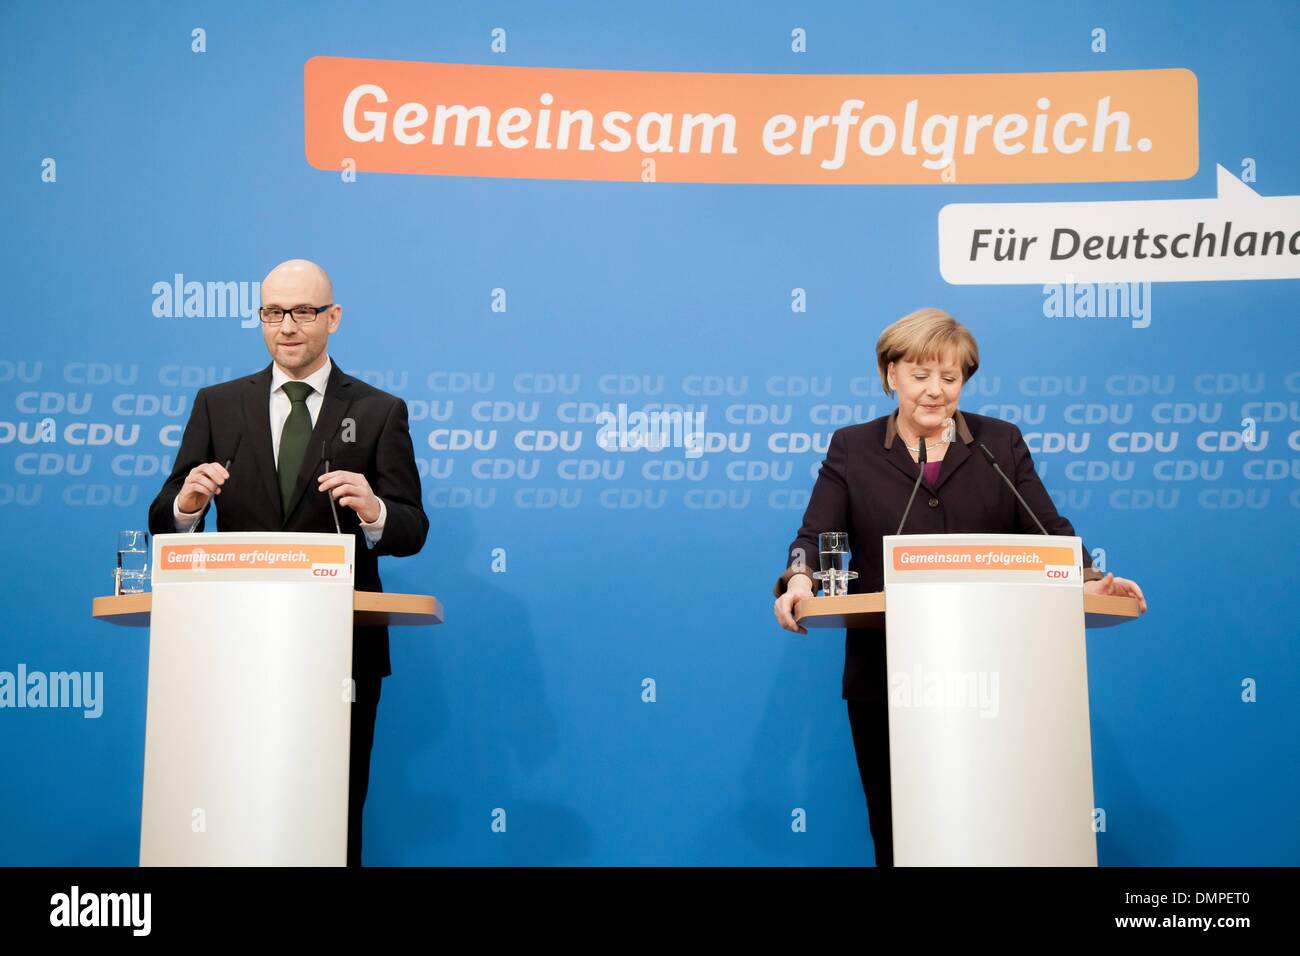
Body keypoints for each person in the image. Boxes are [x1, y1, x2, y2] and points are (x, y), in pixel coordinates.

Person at [772, 307, 1146, 867]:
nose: (934, 391)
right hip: (889, 676)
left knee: (997, 832)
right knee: (900, 835)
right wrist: (799, 578)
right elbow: (816, 535)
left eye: (950, 378)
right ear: (890, 374)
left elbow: (1050, 533)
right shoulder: (852, 447)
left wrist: (1091, 579)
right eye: (920, 375)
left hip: (997, 675)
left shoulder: (999, 443)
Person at [147, 258, 429, 866]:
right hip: (233, 648)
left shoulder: (379, 411)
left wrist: (376, 509)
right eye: (273, 313)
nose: (287, 327)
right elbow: (163, 514)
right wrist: (188, 505)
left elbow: (412, 529)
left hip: (339, 652)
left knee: (330, 817)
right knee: (230, 811)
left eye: (303, 312)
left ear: (333, 317)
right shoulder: (219, 406)